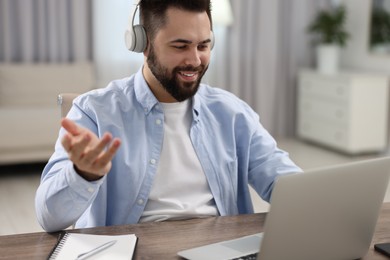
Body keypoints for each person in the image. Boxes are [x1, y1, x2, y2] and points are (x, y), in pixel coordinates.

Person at [35, 0, 302, 233]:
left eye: (203, 45)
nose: (195, 60)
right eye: (180, 46)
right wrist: (83, 174)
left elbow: (283, 180)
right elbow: (49, 218)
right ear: (143, 44)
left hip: (220, 248)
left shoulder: (232, 112)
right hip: (135, 249)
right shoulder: (94, 111)